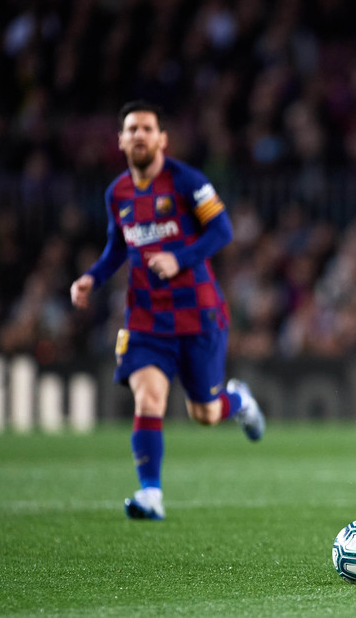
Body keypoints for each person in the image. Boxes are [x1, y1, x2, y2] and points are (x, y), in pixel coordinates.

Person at [70, 100, 265, 520]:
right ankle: (150, 494)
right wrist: (92, 277)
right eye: (131, 129)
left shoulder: (187, 181)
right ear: (120, 140)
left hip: (198, 313)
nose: (139, 135)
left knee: (205, 414)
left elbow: (222, 230)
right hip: (145, 317)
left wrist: (180, 258)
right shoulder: (117, 193)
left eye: (147, 128)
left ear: (162, 138)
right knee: (149, 397)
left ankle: (239, 401)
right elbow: (117, 248)